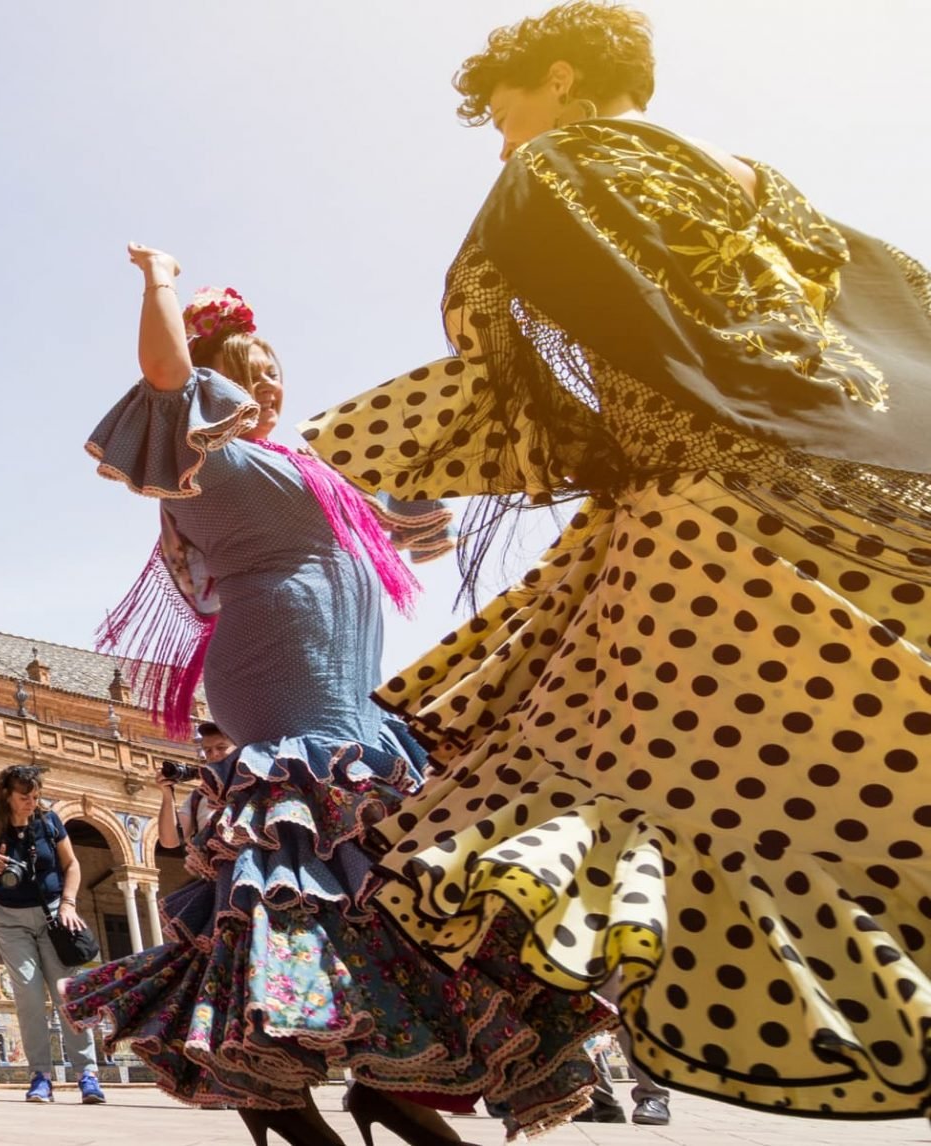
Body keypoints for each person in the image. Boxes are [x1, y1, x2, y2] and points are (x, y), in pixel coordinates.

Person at [300, 1, 931, 1121]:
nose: (500, 140)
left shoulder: (562, 167)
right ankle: (383, 1063)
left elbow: (508, 358)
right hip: (856, 488)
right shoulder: (769, 189)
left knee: (604, 807)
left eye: (502, 113)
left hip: (702, 522)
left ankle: (400, 1063)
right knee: (835, 766)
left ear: (557, 78)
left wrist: (379, 462)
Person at [63, 259, 614, 1146]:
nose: (272, 385)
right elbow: (163, 379)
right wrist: (159, 282)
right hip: (279, 673)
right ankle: (272, 1079)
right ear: (216, 382)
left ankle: (395, 1080)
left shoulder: (317, 469)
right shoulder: (207, 457)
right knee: (302, 866)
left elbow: (421, 507)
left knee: (384, 871)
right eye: (253, 371)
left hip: (355, 691)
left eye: (278, 371)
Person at [0, 764, 104, 1106]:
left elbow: (71, 865)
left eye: (35, 796)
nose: (31, 802)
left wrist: (69, 904)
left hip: (53, 916)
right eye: (24, 797)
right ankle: (40, 1075)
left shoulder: (49, 821)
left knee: (65, 993)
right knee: (27, 994)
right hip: (8, 919)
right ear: (7, 795)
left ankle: (87, 1073)